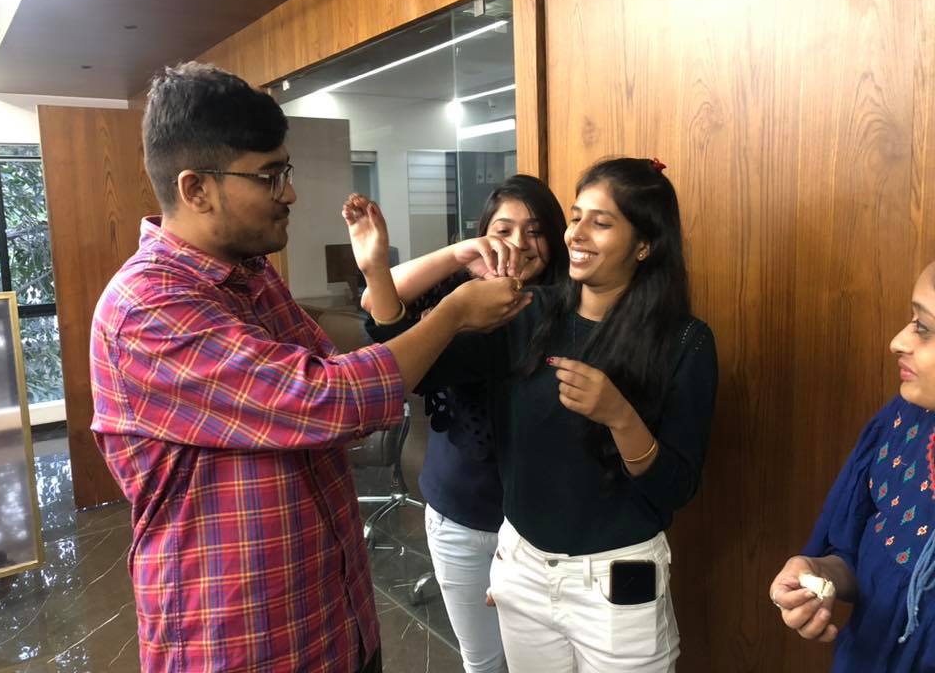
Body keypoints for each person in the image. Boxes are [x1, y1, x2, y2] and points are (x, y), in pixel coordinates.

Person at [88, 61, 531, 673]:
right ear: (196, 189)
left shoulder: (251, 276)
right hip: (240, 640)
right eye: (269, 177)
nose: (289, 194)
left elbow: (338, 375)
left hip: (330, 616)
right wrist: (454, 313)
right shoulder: (150, 307)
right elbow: (328, 398)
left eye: (285, 173)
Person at [348, 157, 718, 672]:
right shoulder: (529, 311)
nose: (576, 235)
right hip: (522, 570)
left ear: (644, 244)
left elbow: (675, 487)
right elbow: (422, 370)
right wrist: (376, 271)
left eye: (601, 222)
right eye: (576, 217)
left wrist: (621, 417)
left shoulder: (684, 342)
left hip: (617, 581)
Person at [357, 176, 568, 672]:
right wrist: (457, 254)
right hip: (464, 517)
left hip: (546, 528)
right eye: (503, 230)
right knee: (484, 661)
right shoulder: (460, 298)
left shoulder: (572, 308)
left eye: (535, 230)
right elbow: (380, 310)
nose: (519, 243)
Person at [769, 262, 935, 672]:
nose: (898, 341)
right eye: (912, 320)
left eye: (924, 328)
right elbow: (853, 555)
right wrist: (816, 574)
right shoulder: (901, 423)